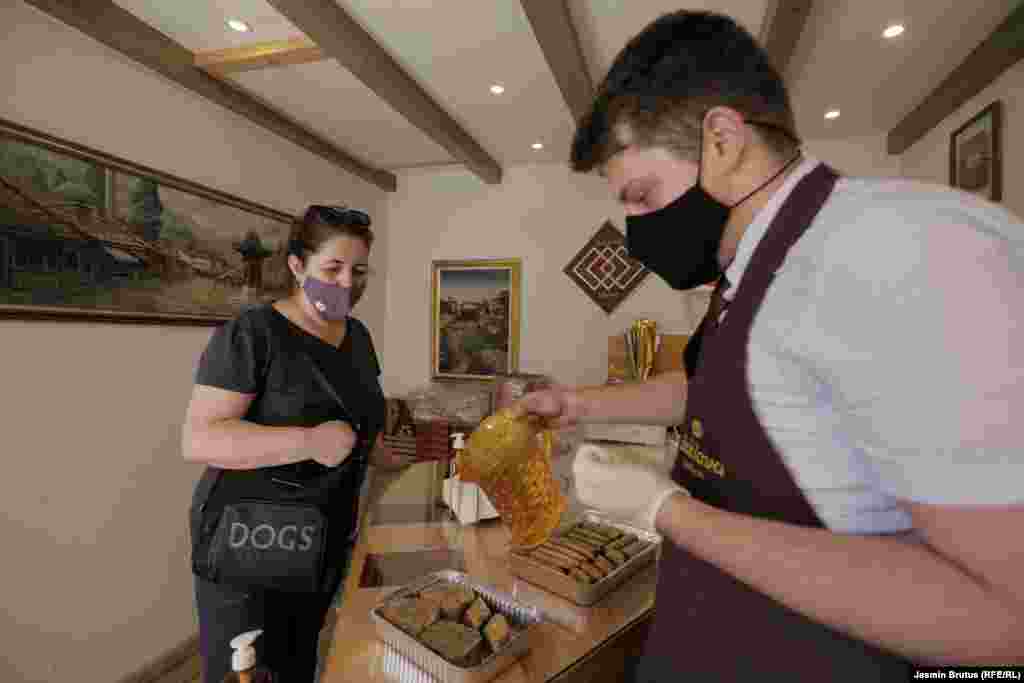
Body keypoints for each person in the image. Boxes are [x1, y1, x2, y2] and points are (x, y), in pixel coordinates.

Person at [514, 11, 1024, 680]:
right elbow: (719, 391)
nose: (635, 230)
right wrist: (577, 403)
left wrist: (666, 508)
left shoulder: (893, 253)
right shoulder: (751, 270)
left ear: (723, 139)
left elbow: (1003, 609)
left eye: (641, 196)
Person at [182, 205, 408, 682]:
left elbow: (355, 423)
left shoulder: (358, 337)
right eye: (333, 269)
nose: (348, 283)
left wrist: (378, 453)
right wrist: (307, 440)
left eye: (359, 270)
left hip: (323, 543)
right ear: (296, 266)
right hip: (251, 547)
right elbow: (200, 438)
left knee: (298, 666)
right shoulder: (252, 334)